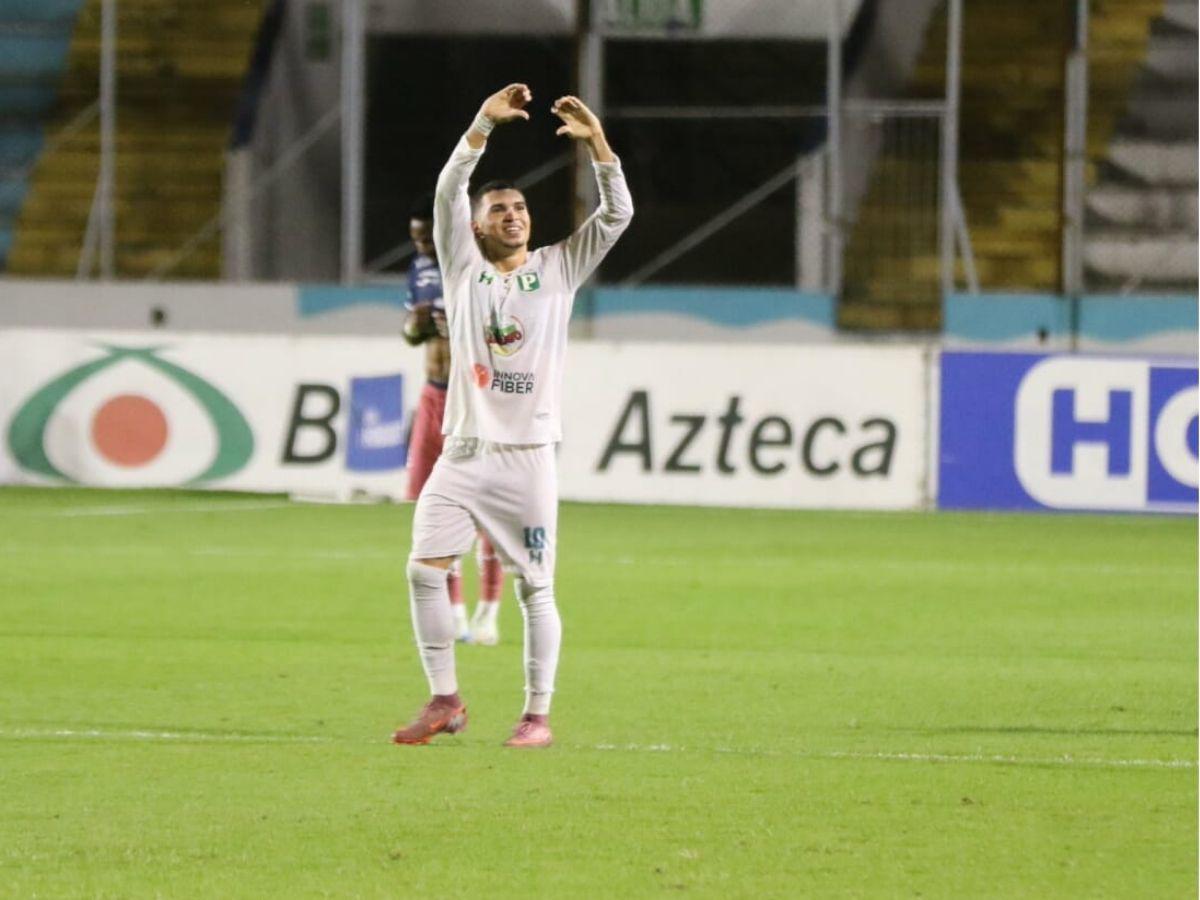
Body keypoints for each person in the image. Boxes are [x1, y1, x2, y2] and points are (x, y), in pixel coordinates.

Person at [392, 84, 632, 748]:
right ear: (474, 227)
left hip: (527, 458)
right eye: (499, 208)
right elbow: (448, 191)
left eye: (521, 207)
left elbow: (616, 216)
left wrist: (598, 144)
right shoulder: (462, 268)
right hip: (463, 453)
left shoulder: (560, 268)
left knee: (536, 588)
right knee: (422, 569)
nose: (514, 215)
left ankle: (536, 716)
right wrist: (480, 126)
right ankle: (446, 701)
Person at [402, 194, 504, 645]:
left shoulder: (474, 265)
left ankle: (489, 612)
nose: (422, 247)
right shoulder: (420, 269)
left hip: (475, 404)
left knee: (486, 512)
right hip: (433, 395)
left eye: (427, 237)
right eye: (416, 239)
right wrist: (418, 323)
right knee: (434, 507)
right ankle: (457, 613)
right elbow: (410, 333)